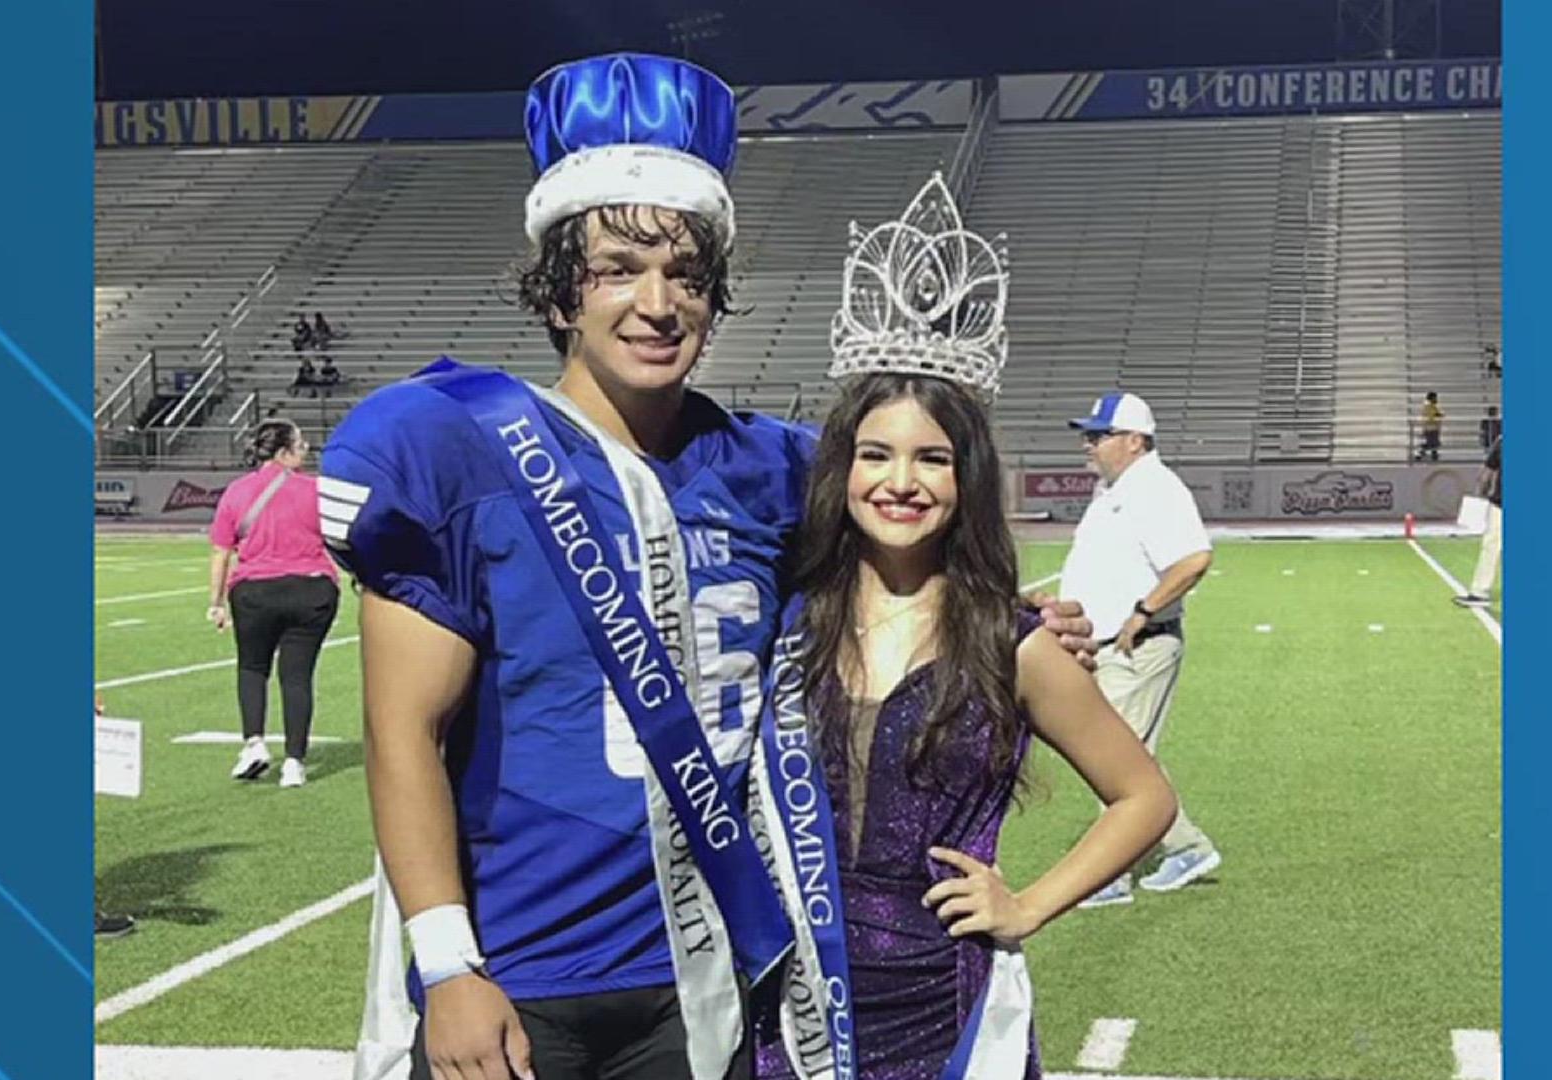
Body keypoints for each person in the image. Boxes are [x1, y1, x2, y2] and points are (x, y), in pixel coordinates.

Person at [325, 56, 1097, 1080]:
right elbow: (401, 731)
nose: (658, 304)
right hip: (522, 974)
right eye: (618, 270)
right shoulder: (456, 450)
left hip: (718, 976)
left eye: (687, 275)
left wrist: (1019, 621)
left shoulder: (772, 469)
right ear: (560, 292)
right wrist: (448, 965)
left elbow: (901, 566)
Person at [754, 178, 1177, 1080]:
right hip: (790, 999)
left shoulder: (1014, 642)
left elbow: (1145, 799)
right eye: (875, 454)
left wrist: (1025, 905)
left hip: (941, 996)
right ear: (842, 469)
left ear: (965, 479)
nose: (900, 481)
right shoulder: (787, 620)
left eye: (930, 458)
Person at [1052, 392, 1223, 906]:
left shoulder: (1155, 490)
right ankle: (1186, 847)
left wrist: (1142, 612)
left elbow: (1193, 559)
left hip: (1138, 647)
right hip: (1106, 646)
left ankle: (1111, 875)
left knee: (1114, 761)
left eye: (1099, 435)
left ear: (1134, 440)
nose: (1089, 444)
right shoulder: (1115, 489)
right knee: (1127, 758)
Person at [207, 419, 342, 789]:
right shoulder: (316, 490)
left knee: (252, 668)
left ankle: (254, 743)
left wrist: (215, 602)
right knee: (297, 675)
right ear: (284, 451)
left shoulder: (236, 491)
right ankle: (294, 762)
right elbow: (340, 538)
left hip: (254, 591)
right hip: (311, 589)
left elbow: (221, 551)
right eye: (300, 443)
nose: (307, 448)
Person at [1455, 436, 1503, 608]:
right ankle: (1480, 591)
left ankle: (1480, 591)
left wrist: (1479, 490)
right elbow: (1488, 470)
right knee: (1491, 546)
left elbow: (1487, 472)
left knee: (1491, 547)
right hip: (1500, 502)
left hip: (1500, 503)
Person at [1416, 391, 1444, 462]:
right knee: (1431, 443)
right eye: (1435, 398)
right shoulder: (1428, 406)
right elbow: (1431, 415)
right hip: (1430, 428)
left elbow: (1436, 414)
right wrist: (1438, 415)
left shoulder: (1432, 406)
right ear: (1432, 398)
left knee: (1433, 443)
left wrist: (1439, 415)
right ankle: (1420, 454)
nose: (1436, 399)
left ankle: (1431, 454)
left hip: (1433, 427)